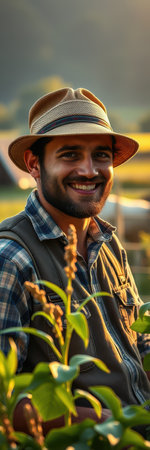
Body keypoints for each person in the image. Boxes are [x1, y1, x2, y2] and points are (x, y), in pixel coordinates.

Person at [0, 87, 149, 434]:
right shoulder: (12, 259)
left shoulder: (109, 244)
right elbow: (4, 400)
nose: (89, 170)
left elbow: (137, 349)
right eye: (69, 155)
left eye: (101, 155)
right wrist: (110, 427)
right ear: (34, 165)